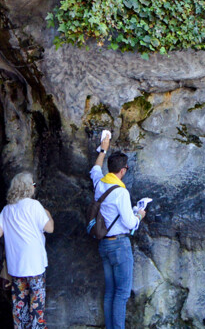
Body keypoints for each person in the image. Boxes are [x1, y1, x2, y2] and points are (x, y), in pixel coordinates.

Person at [90, 141, 145, 329]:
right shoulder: (121, 192)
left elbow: (95, 169)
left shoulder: (100, 183)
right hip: (120, 245)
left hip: (104, 244)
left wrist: (103, 148)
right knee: (121, 294)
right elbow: (130, 223)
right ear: (123, 170)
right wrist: (139, 215)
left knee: (110, 292)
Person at [0, 173, 53, 329]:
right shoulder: (34, 206)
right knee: (37, 303)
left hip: (16, 265)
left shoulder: (7, 209)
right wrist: (48, 215)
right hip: (35, 264)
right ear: (28, 187)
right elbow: (49, 228)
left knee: (20, 303)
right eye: (33, 185)